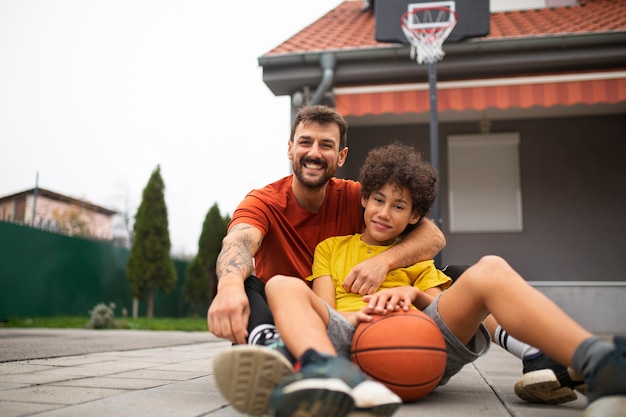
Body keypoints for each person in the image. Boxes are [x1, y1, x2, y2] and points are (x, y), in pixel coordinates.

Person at [262, 142, 625, 417]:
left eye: (399, 206)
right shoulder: (331, 248)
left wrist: (411, 295)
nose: (384, 213)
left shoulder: (416, 259)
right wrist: (368, 317)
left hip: (422, 341)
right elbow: (325, 309)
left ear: (415, 215)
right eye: (378, 200)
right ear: (364, 200)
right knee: (280, 283)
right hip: (350, 338)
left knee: (491, 267)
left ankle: (600, 364)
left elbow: (443, 307)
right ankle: (327, 373)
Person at [208, 105, 445, 415]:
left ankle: (298, 364)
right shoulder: (264, 201)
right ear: (290, 148)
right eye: (305, 142)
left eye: (326, 145)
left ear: (342, 156)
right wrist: (227, 287)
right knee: (247, 284)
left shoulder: (357, 196)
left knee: (459, 275)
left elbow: (433, 237)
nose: (314, 153)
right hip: (281, 313)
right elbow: (238, 242)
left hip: (337, 316)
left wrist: (384, 261)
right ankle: (274, 348)